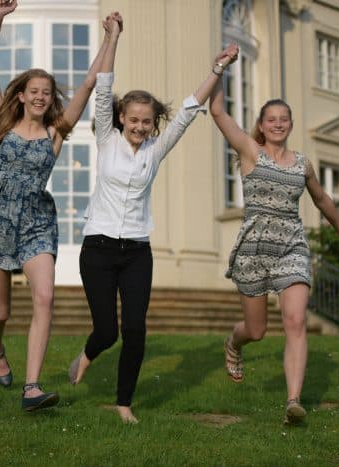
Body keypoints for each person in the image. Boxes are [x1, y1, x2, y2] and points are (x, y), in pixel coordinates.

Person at [67, 17, 240, 423]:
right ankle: (89, 353)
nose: (140, 127)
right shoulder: (106, 140)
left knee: (137, 331)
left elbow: (189, 110)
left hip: (136, 252)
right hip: (98, 248)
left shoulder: (155, 151)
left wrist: (217, 70)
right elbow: (105, 82)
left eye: (147, 121)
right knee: (107, 332)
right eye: (134, 120)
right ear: (122, 118)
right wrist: (113, 37)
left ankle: (124, 403)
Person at [207, 47, 339, 424]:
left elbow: (321, 197)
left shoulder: (301, 163)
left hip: (291, 247)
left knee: (295, 321)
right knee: (257, 330)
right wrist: (220, 68)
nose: (278, 124)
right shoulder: (249, 151)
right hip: (253, 249)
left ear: (290, 125)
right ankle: (234, 343)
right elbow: (217, 112)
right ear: (261, 125)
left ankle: (293, 401)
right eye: (271, 119)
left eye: (284, 119)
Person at [0, 0, 116, 412]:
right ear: (19, 96)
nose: (40, 97)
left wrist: (109, 39)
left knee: (45, 298)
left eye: (46, 93)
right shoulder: (3, 121)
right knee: (0, 310)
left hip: (37, 217)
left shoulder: (56, 131)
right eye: (33, 91)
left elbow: (88, 84)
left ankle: (31, 387)